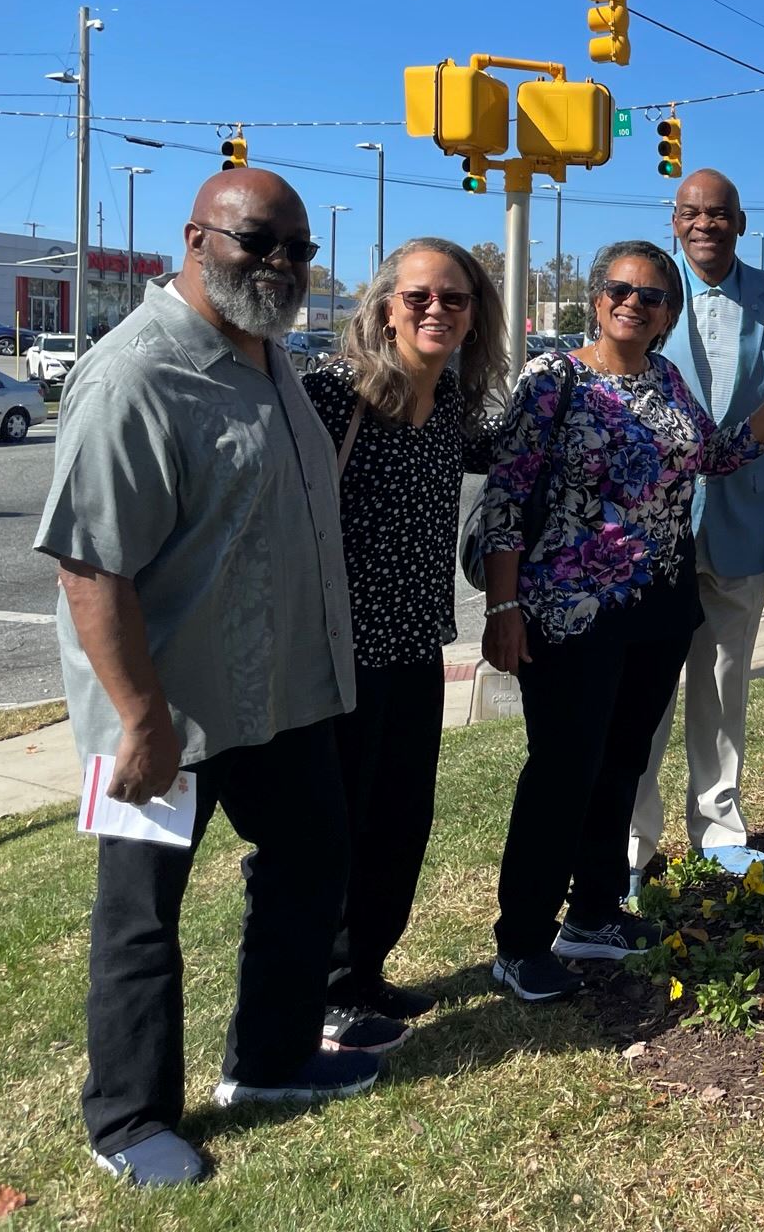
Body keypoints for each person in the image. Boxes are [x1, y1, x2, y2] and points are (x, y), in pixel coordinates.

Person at [35, 170, 375, 1190]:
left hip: (272, 697)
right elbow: (91, 563)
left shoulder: (265, 356)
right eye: (254, 241)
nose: (278, 264)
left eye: (296, 248)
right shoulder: (132, 375)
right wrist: (137, 720)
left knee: (315, 854)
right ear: (194, 238)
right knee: (140, 914)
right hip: (161, 716)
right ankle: (129, 1120)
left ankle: (268, 1060)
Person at [480, 240, 764, 1003]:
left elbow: (718, 457)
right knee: (561, 773)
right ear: (595, 299)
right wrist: (503, 608)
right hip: (570, 613)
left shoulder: (665, 380)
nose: (634, 302)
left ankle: (593, 914)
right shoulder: (552, 380)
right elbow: (505, 496)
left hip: (658, 609)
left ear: (669, 315)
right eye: (619, 289)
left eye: (652, 296)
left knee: (621, 763)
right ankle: (521, 941)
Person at [302, 238, 506, 1039]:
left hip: (418, 646)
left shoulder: (451, 406)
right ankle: (321, 992)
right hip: (338, 656)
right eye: (419, 296)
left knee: (399, 820)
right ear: (385, 305)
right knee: (337, 829)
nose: (436, 310)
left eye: (455, 299)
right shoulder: (333, 396)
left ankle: (366, 972)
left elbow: (524, 454)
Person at [628, 168, 764, 887]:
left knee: (723, 683)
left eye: (718, 214)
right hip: (652, 532)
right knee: (644, 695)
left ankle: (719, 827)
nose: (704, 223)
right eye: (691, 213)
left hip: (745, 520)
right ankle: (633, 846)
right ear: (675, 222)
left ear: (740, 222)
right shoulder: (642, 293)